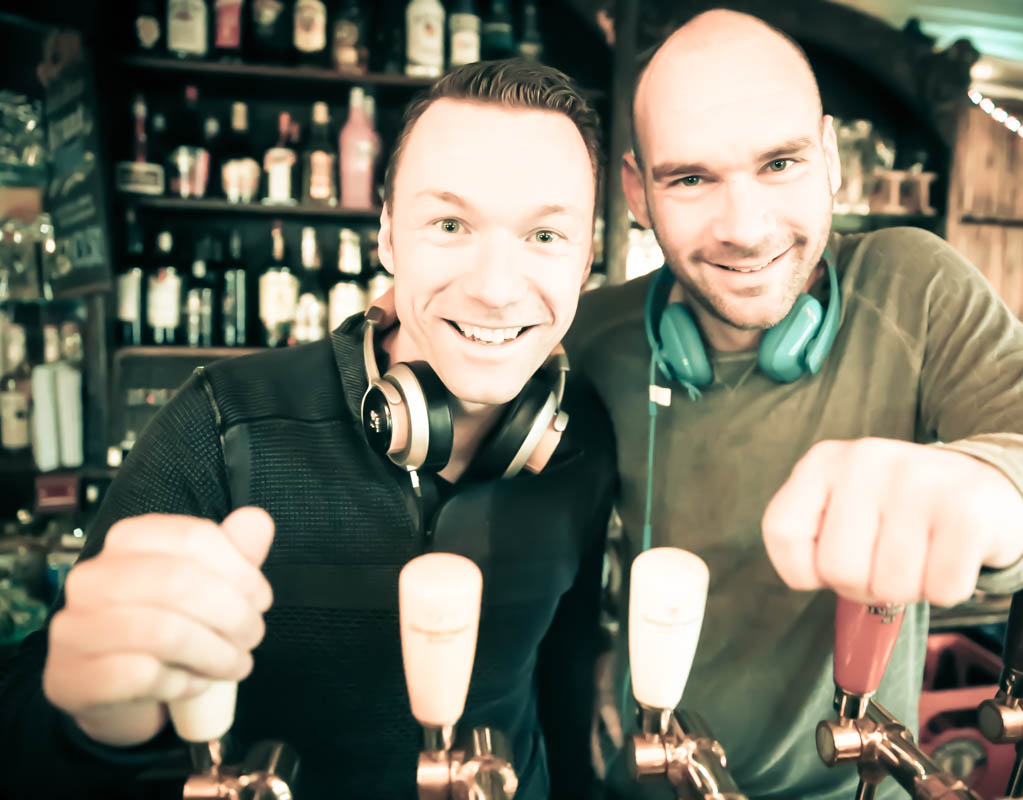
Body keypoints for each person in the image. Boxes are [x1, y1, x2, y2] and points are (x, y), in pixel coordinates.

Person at [565, 8, 1023, 800]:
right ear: (635, 190)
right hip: (650, 781)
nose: (745, 228)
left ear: (830, 158)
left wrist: (1001, 486)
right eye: (690, 179)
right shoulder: (592, 335)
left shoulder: (913, 287)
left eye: (780, 163)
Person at [0, 60, 615, 800]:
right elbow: (26, 727)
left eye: (545, 234)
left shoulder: (585, 436)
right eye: (450, 225)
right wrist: (93, 725)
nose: (495, 287)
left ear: (586, 258)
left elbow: (565, 693)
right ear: (388, 237)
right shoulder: (220, 420)